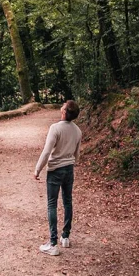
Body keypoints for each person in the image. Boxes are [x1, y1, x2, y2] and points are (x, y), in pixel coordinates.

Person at [34, 100, 82, 256]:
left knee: (52, 204)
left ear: (64, 111)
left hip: (55, 170)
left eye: (63, 106)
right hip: (69, 169)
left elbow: (47, 152)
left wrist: (37, 169)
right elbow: (77, 154)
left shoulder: (55, 128)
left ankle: (53, 244)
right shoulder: (78, 131)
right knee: (67, 201)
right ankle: (65, 237)